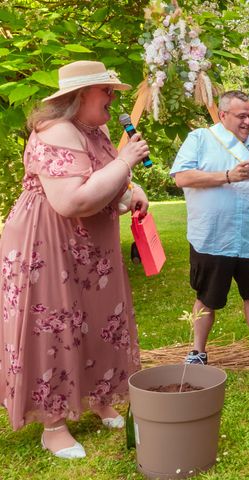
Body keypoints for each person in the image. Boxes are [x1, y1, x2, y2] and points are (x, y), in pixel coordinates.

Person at [0, 60, 150, 459]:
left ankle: (98, 397)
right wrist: (125, 162)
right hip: (47, 243)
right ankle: (53, 424)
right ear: (80, 96)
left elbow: (100, 185)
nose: (113, 98)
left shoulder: (94, 129)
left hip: (87, 245)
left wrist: (130, 193)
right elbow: (71, 201)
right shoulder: (57, 132)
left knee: (100, 319)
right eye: (107, 91)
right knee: (55, 324)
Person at [170, 90, 249, 380]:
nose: (247, 121)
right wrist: (228, 176)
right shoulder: (201, 138)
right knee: (207, 297)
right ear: (223, 115)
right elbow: (181, 177)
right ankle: (197, 352)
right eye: (241, 115)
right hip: (212, 235)